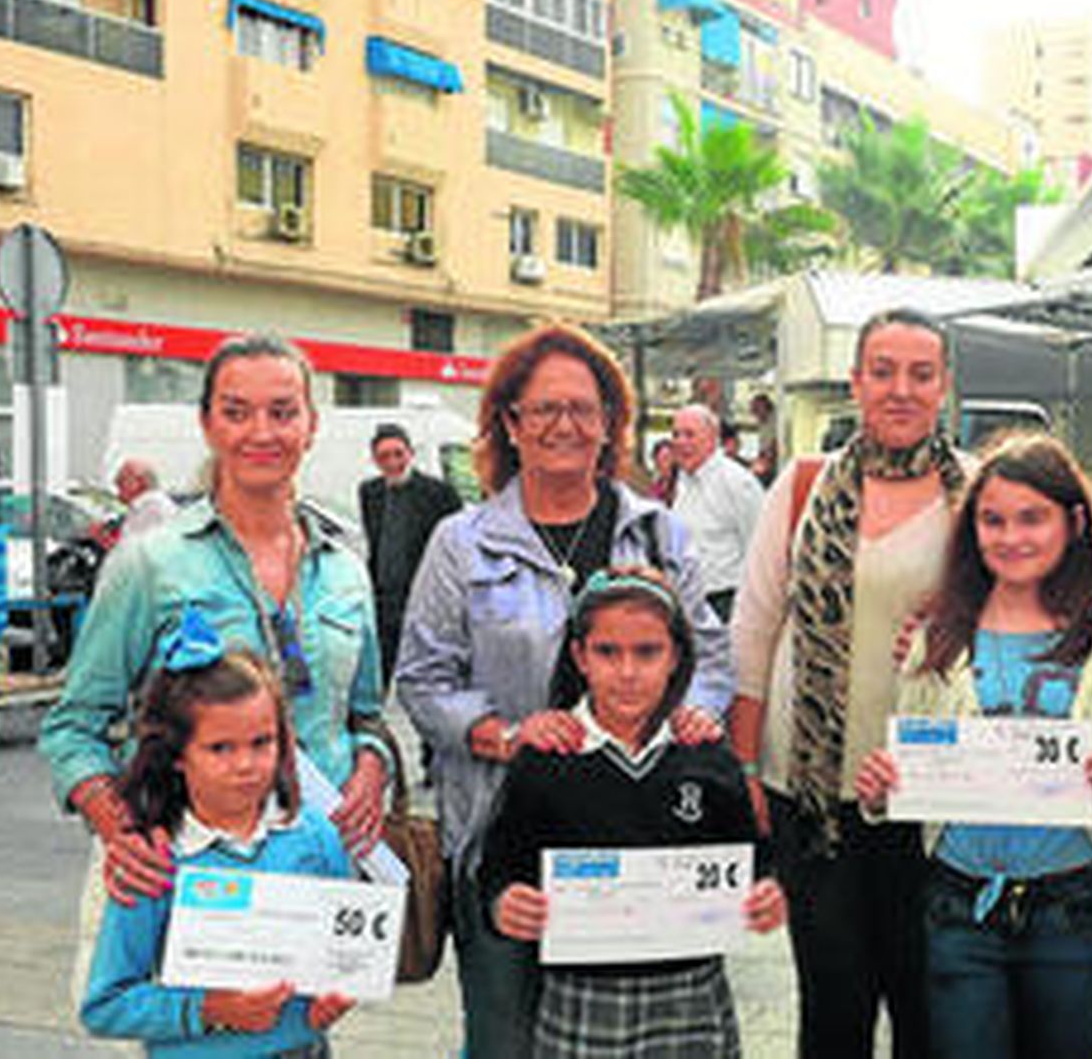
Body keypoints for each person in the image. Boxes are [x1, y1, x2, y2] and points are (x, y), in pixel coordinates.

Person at [394, 322, 734, 1058]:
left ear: (610, 423)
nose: (564, 425)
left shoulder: (658, 535)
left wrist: (693, 722)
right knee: (505, 1040)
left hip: (639, 844)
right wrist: (503, 736)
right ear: (510, 423)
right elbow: (422, 679)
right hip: (503, 840)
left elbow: (709, 658)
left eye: (583, 408)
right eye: (544, 409)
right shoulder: (462, 542)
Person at [40, 334, 390, 911]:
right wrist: (119, 827)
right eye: (236, 412)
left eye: (283, 412)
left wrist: (373, 766)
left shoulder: (346, 571)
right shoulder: (150, 564)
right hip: (184, 881)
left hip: (318, 874)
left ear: (311, 426)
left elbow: (366, 715)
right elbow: (72, 727)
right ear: (207, 424)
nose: (261, 432)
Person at [854, 433, 1092, 1059]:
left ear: (1074, 523)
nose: (1011, 537)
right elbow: (908, 776)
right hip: (957, 909)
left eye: (1032, 518)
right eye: (993, 520)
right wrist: (881, 791)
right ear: (972, 530)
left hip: (1073, 911)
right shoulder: (935, 643)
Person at [731, 308, 971, 1058]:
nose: (901, 389)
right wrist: (743, 766)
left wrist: (953, 628)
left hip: (931, 792)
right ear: (856, 381)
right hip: (811, 794)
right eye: (883, 371)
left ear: (944, 385)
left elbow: (1021, 612)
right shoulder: (803, 485)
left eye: (921, 374)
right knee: (833, 1006)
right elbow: (754, 629)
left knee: (926, 1005)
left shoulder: (976, 493)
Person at [480, 567, 786, 1058]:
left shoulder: (708, 757)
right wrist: (505, 903)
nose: (627, 672)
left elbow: (753, 858)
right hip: (582, 997)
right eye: (607, 652)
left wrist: (766, 892)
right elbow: (498, 866)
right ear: (580, 656)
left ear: (675, 657)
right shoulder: (546, 762)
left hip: (691, 996)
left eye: (647, 652)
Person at [80, 609, 354, 1057]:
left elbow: (343, 955)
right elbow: (106, 1005)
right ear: (177, 755)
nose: (246, 764)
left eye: (262, 743)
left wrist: (335, 996)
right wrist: (208, 1009)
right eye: (220, 748)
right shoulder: (154, 859)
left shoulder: (316, 836)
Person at [358, 422, 462, 687]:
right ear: (375, 460)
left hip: (422, 597)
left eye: (398, 454)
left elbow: (454, 549)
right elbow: (374, 542)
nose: (392, 462)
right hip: (384, 599)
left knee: (423, 670)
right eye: (384, 456)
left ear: (411, 453)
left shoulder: (439, 493)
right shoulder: (370, 493)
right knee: (381, 668)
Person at [671, 404, 765, 622]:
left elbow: (759, 550)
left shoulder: (738, 483)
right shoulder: (683, 482)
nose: (680, 442)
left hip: (728, 603)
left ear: (712, 439)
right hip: (689, 601)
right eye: (676, 435)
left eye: (689, 435)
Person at [114, 458, 178, 542]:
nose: (116, 482)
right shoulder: (142, 505)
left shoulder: (153, 506)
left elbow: (133, 546)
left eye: (122, 479)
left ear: (140, 482)